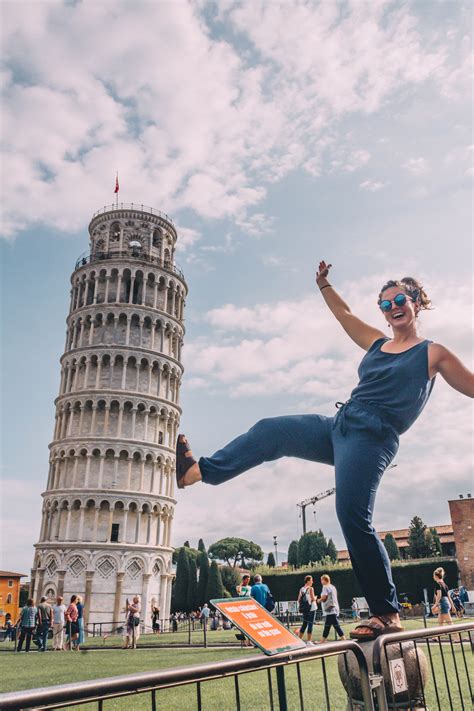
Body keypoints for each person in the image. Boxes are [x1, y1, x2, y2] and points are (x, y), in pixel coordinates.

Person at [175, 262, 473, 641]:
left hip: (373, 436)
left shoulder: (433, 353)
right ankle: (194, 473)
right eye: (385, 304)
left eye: (400, 300)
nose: (392, 307)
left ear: (416, 303)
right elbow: (344, 315)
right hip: (341, 425)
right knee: (272, 431)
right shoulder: (378, 343)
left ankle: (386, 612)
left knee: (351, 515)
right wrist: (324, 285)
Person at [317, 574, 346, 643]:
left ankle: (344, 639)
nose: (321, 581)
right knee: (328, 626)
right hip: (334, 608)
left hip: (329, 610)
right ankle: (322, 641)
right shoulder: (333, 587)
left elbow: (324, 597)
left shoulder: (325, 587)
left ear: (324, 580)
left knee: (335, 626)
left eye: (321, 580)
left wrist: (318, 600)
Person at [297, 575, 317, 645]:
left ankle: (299, 640)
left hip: (305, 609)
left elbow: (299, 600)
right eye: (311, 580)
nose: (312, 582)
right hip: (311, 608)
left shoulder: (301, 589)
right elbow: (312, 599)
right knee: (310, 624)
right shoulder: (311, 588)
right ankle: (309, 641)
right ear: (308, 581)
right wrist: (316, 598)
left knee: (304, 624)